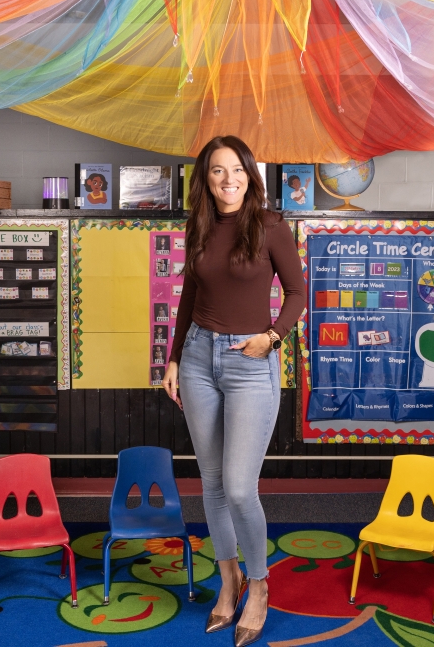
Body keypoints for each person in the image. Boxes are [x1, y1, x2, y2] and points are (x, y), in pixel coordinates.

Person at [162, 135, 305, 647]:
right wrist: (174, 357)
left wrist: (271, 338)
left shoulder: (268, 226)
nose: (229, 180)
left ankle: (260, 585)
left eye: (237, 170)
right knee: (214, 483)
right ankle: (229, 581)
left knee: (242, 487)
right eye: (218, 172)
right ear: (206, 179)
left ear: (250, 174)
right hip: (199, 358)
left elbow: (297, 292)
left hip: (251, 362)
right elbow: (190, 296)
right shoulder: (198, 224)